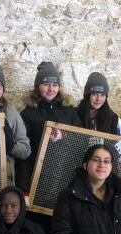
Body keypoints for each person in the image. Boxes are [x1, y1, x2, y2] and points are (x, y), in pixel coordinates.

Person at [18, 61, 82, 192]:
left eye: (55, 85)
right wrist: (24, 187)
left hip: (65, 172)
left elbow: (80, 140)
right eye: (45, 84)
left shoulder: (69, 111)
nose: (51, 89)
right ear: (37, 86)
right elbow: (24, 153)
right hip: (37, 176)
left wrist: (63, 136)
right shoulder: (28, 113)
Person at [75, 72, 121, 137]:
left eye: (102, 95)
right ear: (87, 95)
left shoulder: (113, 120)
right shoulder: (75, 115)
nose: (98, 99)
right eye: (94, 94)